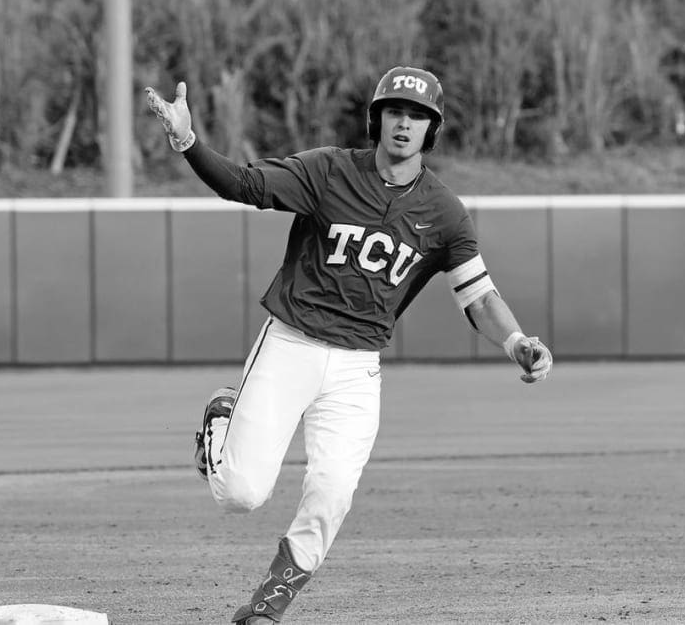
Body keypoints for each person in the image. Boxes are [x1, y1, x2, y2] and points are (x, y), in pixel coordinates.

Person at [145, 66, 552, 624]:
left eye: (416, 116)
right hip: (291, 342)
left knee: (333, 490)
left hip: (357, 366)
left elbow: (478, 296)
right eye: (394, 112)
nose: (403, 124)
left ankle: (267, 607)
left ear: (431, 129)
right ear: (377, 120)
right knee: (239, 494)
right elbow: (245, 184)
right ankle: (221, 418)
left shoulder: (445, 214)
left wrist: (516, 341)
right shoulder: (328, 170)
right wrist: (189, 142)